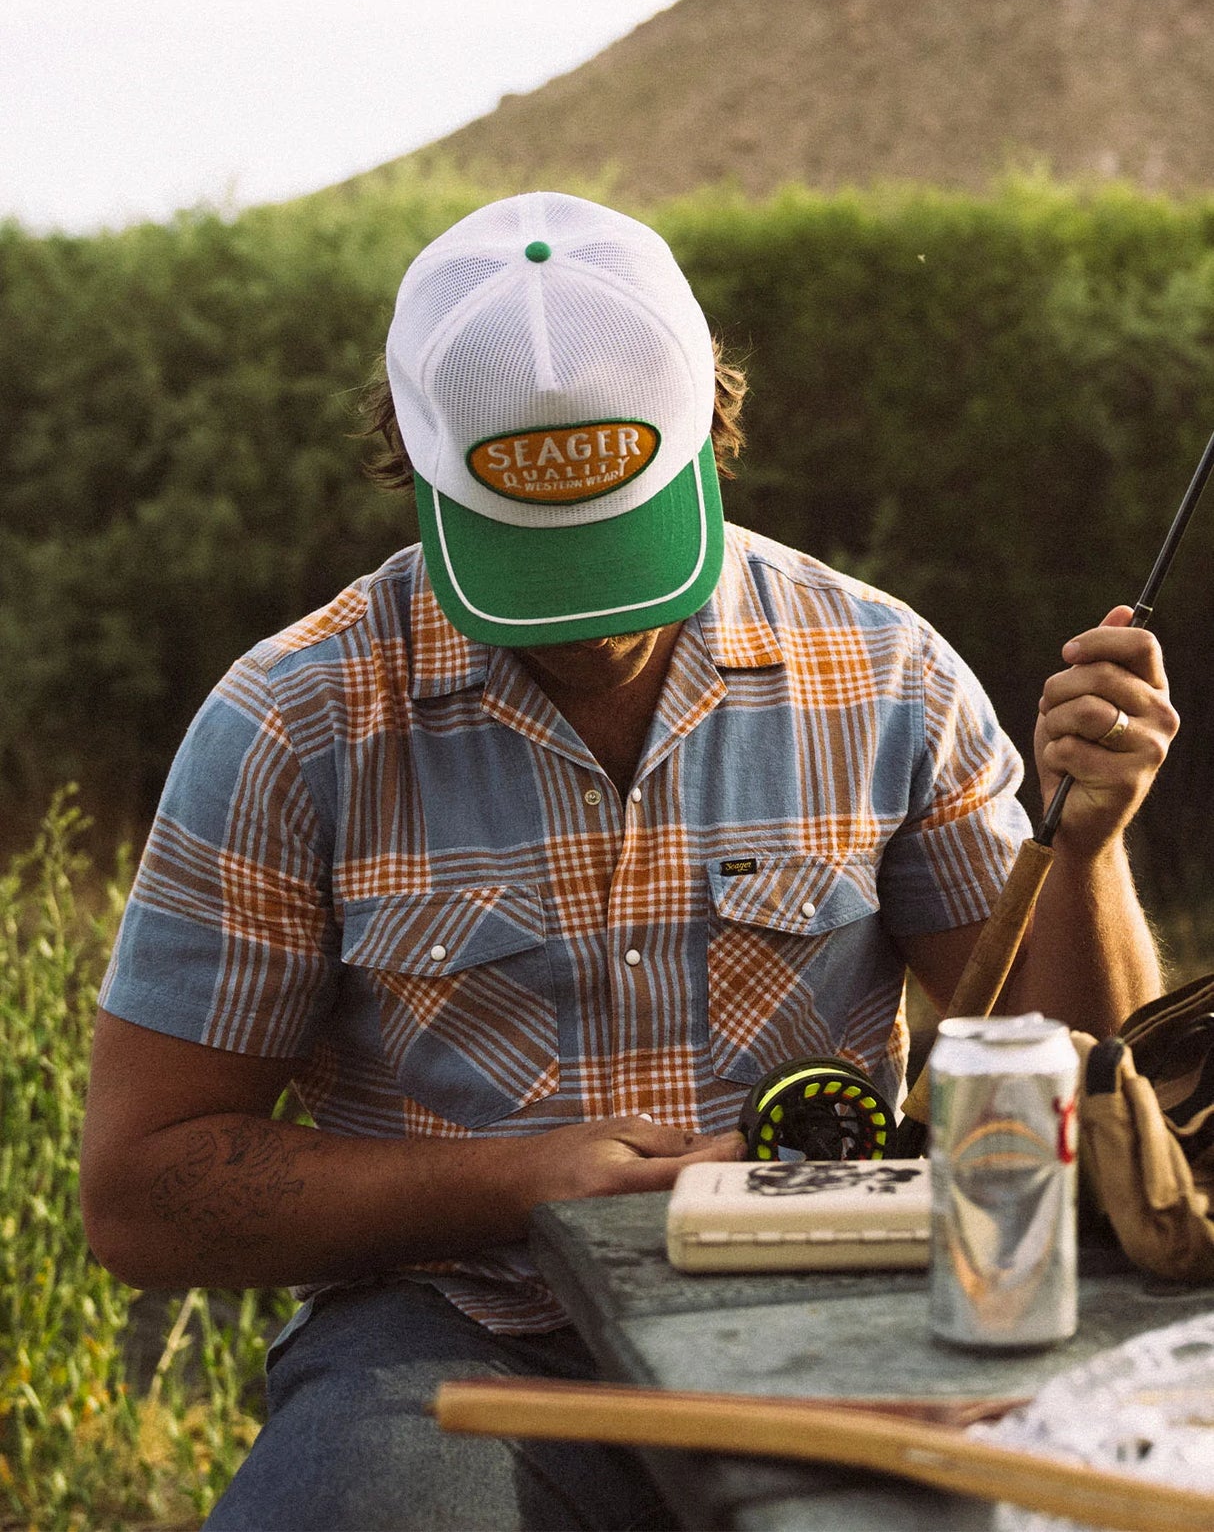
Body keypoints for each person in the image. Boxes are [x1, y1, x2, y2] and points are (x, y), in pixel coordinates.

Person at [81, 191, 1176, 1531]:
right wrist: (520, 1186)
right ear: (418, 464)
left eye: (619, 551)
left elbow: (1084, 1092)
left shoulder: (887, 673)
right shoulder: (292, 724)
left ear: (709, 436)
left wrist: (1087, 848)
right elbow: (144, 1196)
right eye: (535, 565)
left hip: (848, 1327)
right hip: (453, 1339)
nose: (590, 627)